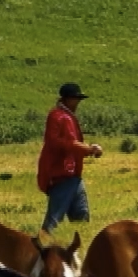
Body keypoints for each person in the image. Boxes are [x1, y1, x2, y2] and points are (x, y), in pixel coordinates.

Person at [38, 82, 102, 234]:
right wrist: (85, 148)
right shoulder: (57, 116)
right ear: (66, 99)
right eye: (75, 98)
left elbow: (71, 143)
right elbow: (55, 142)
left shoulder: (67, 116)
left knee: (82, 214)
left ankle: (78, 244)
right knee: (54, 221)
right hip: (60, 174)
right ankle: (42, 248)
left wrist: (87, 149)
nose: (78, 102)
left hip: (73, 175)